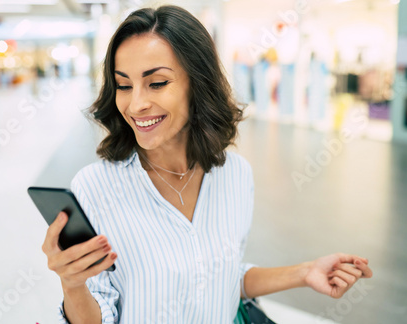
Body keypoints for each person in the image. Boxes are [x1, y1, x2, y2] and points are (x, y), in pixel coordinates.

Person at [41, 5, 373, 324]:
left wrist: (304, 272)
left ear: (197, 84)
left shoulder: (235, 174)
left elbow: (223, 278)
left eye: (156, 83)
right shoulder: (95, 188)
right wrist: (72, 284)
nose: (137, 103)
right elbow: (100, 315)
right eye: (124, 85)